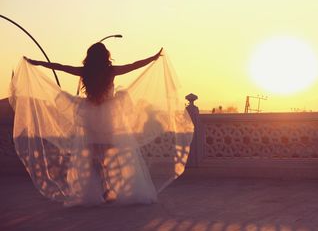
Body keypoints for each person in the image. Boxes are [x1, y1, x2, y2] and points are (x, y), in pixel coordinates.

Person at [12, 43, 193, 206]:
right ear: (105, 56)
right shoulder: (110, 71)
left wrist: (38, 63)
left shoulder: (86, 71)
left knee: (93, 158)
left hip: (90, 116)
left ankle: (101, 190)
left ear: (90, 57)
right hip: (107, 117)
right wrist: (152, 58)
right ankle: (110, 189)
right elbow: (133, 66)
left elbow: (61, 67)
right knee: (110, 155)